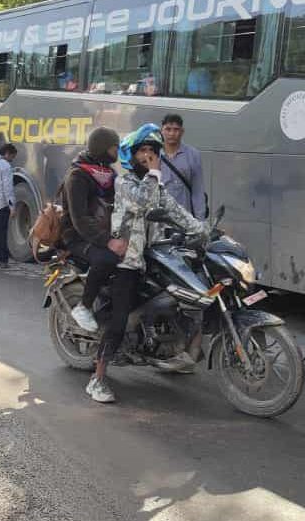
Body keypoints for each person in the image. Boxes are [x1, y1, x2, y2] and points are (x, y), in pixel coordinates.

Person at [86, 124, 206, 404]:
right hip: (125, 261)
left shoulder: (154, 183)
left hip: (149, 257)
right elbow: (142, 202)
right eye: (143, 151)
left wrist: (200, 229)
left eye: (153, 151)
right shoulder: (125, 183)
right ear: (131, 154)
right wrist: (155, 174)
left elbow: (173, 209)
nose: (149, 156)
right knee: (118, 322)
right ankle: (97, 379)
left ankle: (166, 347)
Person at [59, 127, 121, 333]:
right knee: (106, 259)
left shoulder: (109, 174)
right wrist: (107, 241)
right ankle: (83, 307)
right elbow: (80, 219)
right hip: (77, 236)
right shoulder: (77, 175)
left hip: (104, 232)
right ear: (103, 148)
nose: (117, 152)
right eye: (114, 148)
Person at [159, 114, 206, 219]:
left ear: (182, 131)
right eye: (168, 129)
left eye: (176, 129)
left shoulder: (193, 155)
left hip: (185, 220)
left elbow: (198, 190)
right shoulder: (154, 154)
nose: (172, 133)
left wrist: (200, 221)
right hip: (160, 221)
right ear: (161, 131)